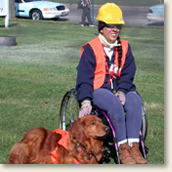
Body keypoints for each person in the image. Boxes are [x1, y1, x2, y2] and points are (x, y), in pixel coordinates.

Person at [76, 3, 147, 164]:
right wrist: (85, 101)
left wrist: (122, 91)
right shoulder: (91, 48)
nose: (115, 29)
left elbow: (128, 74)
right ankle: (122, 149)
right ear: (101, 28)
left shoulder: (125, 47)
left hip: (120, 88)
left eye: (118, 26)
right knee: (114, 103)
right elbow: (84, 79)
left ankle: (134, 147)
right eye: (110, 26)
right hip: (99, 89)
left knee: (135, 100)